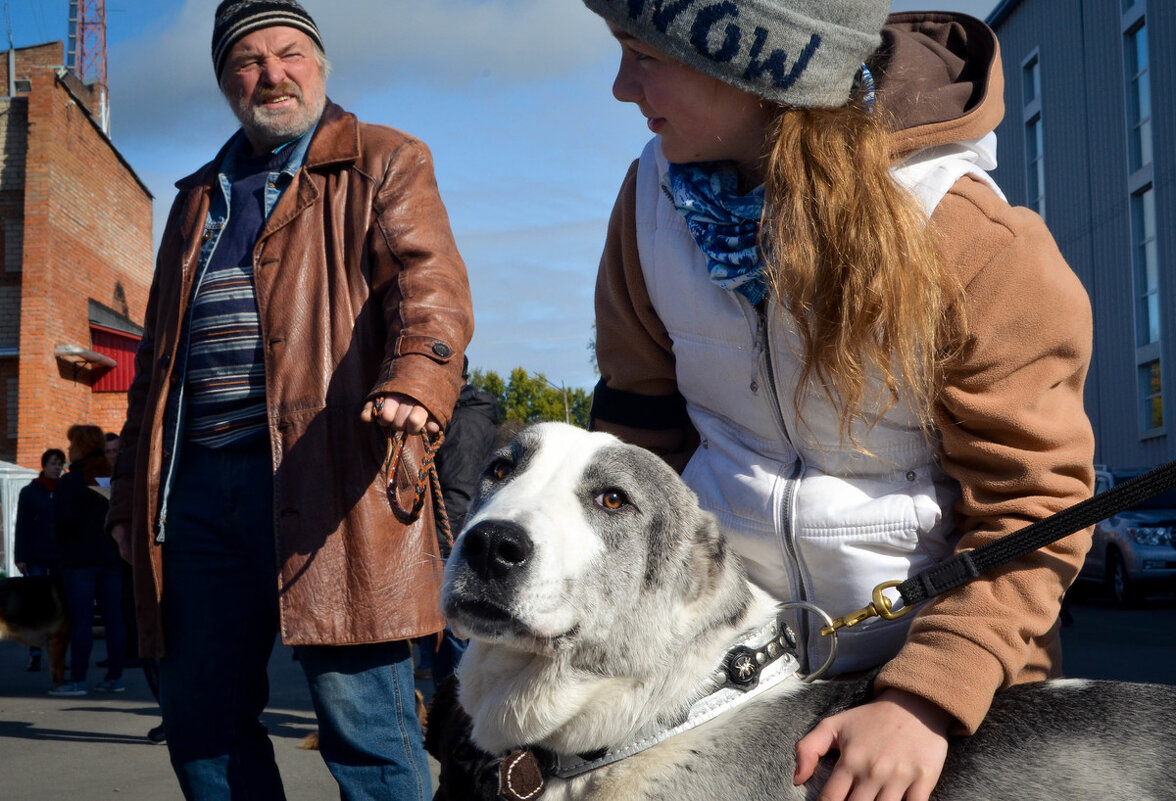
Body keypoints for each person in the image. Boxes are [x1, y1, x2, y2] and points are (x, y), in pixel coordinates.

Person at [583, 4, 1095, 801]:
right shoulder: (649, 205)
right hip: (731, 677)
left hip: (947, 698)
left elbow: (1035, 503)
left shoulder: (968, 236)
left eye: (644, 55)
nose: (621, 88)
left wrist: (927, 695)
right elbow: (637, 439)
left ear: (756, 64)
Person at [105, 1, 473, 798]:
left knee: (366, 729)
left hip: (333, 476)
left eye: (290, 52)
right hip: (195, 490)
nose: (272, 73)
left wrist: (417, 375)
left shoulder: (386, 159)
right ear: (224, 81)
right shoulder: (195, 198)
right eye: (248, 60)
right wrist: (129, 498)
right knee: (201, 721)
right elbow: (155, 363)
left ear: (321, 63)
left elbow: (430, 287)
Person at [419, 356, 500, 684]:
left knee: (454, 634)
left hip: (452, 542)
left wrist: (442, 552)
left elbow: (458, 493)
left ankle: (456, 717)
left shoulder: (465, 422)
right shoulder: (457, 416)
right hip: (454, 538)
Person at [49, 425, 126, 696]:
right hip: (110, 558)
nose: (68, 449)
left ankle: (78, 680)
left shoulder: (70, 482)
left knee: (81, 621)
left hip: (79, 562)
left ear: (80, 446)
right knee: (114, 618)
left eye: (71, 445)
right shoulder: (108, 477)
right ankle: (115, 677)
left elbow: (60, 524)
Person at [13, 447, 66, 672]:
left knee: (59, 607)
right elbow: (22, 525)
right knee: (35, 606)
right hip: (35, 556)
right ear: (44, 466)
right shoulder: (30, 491)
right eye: (54, 463)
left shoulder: (66, 491)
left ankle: (59, 653)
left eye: (60, 464)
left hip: (60, 557)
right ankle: (35, 654)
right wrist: (20, 556)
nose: (57, 468)